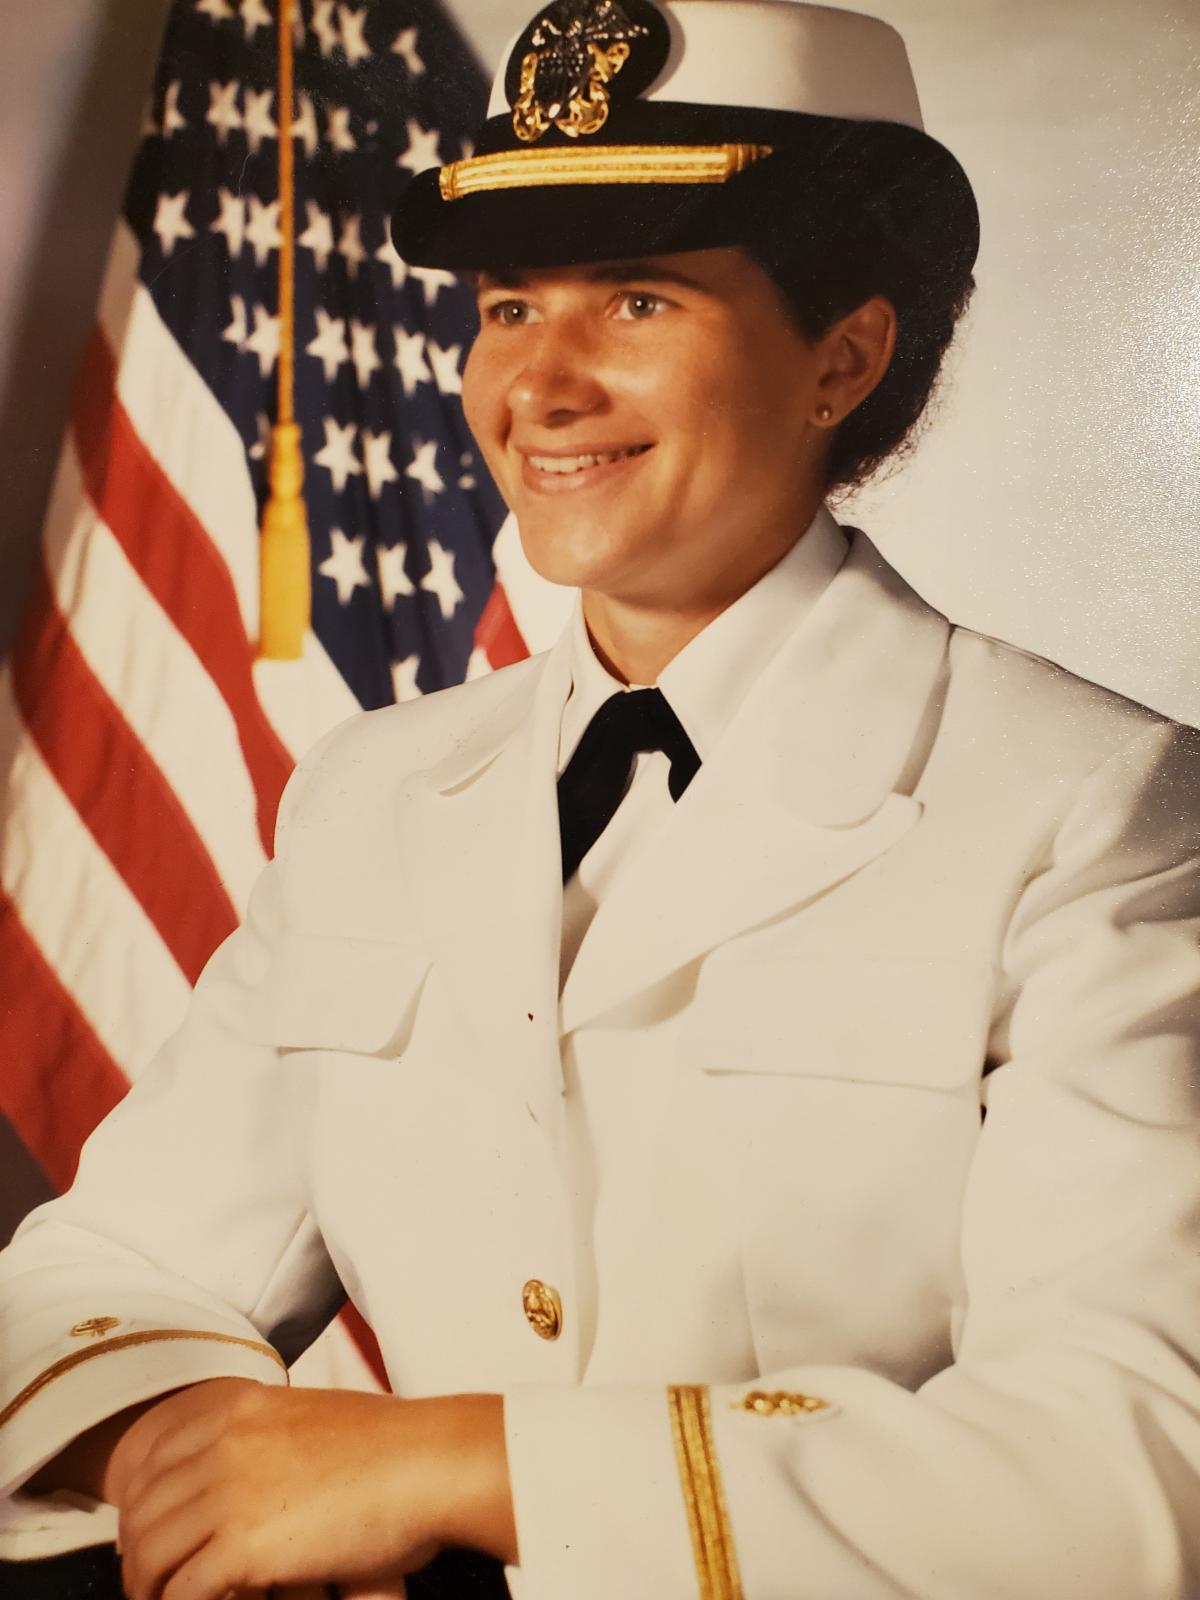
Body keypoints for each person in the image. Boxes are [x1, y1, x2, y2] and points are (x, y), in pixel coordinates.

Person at [3, 1, 1200, 1597]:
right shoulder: (377, 794)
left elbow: (1131, 1466)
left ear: (844, 356)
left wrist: (452, 1468)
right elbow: (97, 1271)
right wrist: (203, 1450)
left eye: (639, 297)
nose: (539, 384)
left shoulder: (1095, 811)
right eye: (508, 306)